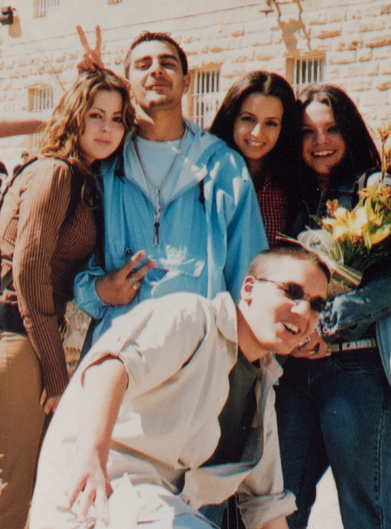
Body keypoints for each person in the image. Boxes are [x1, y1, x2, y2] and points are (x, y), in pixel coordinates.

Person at [25, 245, 330, 529]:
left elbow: (269, 515)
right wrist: (93, 455)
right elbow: (111, 367)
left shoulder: (261, 396)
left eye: (317, 304)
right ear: (248, 289)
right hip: (105, 506)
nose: (303, 311)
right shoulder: (193, 317)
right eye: (291, 292)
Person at [0, 68, 135, 529]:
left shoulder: (82, 175)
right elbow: (29, 272)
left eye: (117, 118)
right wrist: (56, 371)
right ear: (74, 115)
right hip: (15, 339)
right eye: (96, 115)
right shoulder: (57, 174)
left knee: (31, 487)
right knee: (7, 487)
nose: (108, 127)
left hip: (24, 342)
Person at [275, 83, 391, 529]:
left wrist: (332, 320)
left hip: (357, 372)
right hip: (295, 377)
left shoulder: (377, 189)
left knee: (368, 520)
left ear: (350, 130)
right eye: (308, 132)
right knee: (280, 508)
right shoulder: (291, 195)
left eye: (331, 128)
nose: (320, 141)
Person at [73, 31, 267, 345]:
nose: (156, 70)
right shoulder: (104, 166)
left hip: (196, 353)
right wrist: (99, 290)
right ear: (127, 84)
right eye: (143, 64)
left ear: (187, 81)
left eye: (167, 63)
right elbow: (72, 264)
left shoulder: (222, 167)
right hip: (119, 350)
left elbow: (249, 274)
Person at [210, 71, 299, 247]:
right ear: (232, 118)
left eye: (271, 123)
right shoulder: (208, 173)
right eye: (248, 119)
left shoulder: (289, 185)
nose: (257, 133)